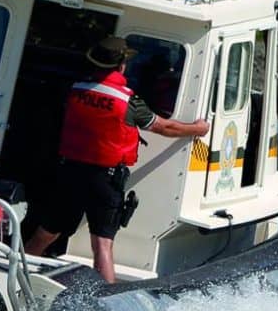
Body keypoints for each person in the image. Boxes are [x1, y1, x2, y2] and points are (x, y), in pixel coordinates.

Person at [24, 35, 210, 283]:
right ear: (121, 66)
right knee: (102, 244)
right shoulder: (127, 101)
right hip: (105, 178)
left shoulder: (75, 90)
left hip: (70, 173)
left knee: (46, 233)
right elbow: (165, 128)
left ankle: (15, 275)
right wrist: (197, 129)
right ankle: (106, 299)